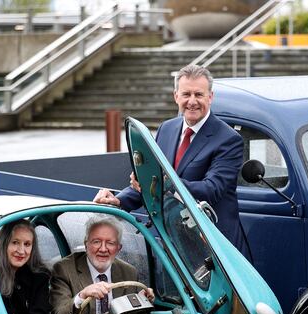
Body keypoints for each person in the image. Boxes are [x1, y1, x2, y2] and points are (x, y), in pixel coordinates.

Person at [93, 64, 248, 255]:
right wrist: (118, 201)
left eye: (199, 94)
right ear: (176, 96)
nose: (192, 101)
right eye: (186, 94)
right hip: (173, 243)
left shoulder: (228, 139)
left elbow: (211, 189)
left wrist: (163, 182)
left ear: (210, 97)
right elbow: (151, 185)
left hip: (213, 247)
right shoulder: (166, 129)